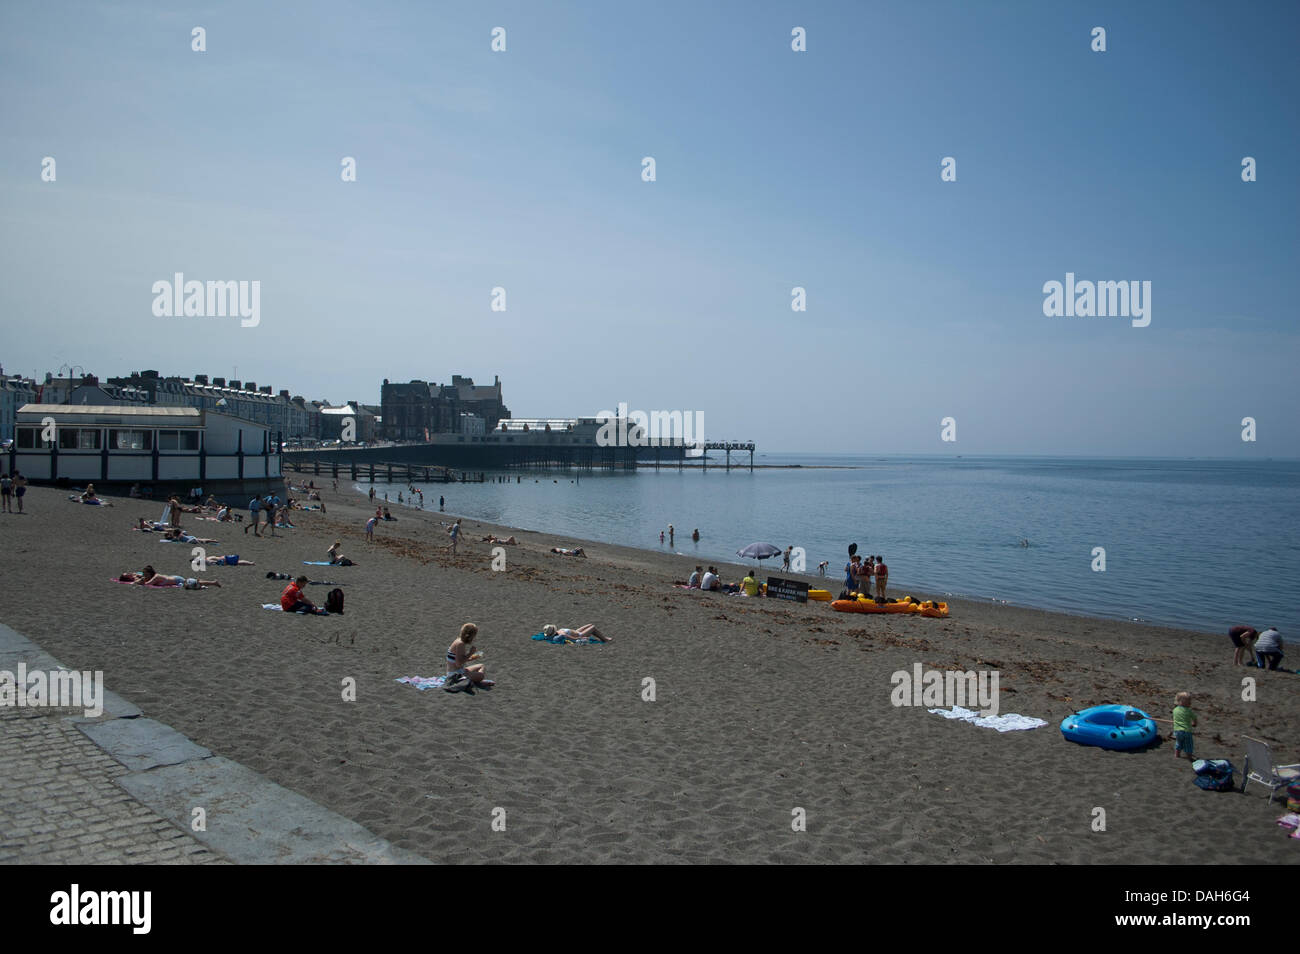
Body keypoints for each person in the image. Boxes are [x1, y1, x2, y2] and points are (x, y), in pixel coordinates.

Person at [1172, 692, 1197, 760]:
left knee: (1179, 742)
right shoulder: (1189, 711)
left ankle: (1177, 755)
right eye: (1189, 702)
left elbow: (1175, 719)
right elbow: (1194, 718)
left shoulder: (1175, 710)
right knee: (1189, 744)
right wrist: (1194, 723)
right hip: (1186, 731)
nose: (1190, 703)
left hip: (1177, 731)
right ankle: (1189, 756)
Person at [542, 623, 612, 643]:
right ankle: (605, 639)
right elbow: (574, 638)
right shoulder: (562, 634)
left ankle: (603, 637)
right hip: (579, 634)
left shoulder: (558, 632)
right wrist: (581, 638)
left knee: (590, 624)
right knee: (593, 627)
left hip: (577, 631)